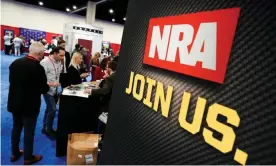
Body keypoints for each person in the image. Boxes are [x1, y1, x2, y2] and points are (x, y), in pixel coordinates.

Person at [7, 42, 49, 165]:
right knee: (29, 132)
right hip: (30, 106)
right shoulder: (38, 68)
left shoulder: (15, 63)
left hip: (15, 103)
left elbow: (12, 82)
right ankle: (28, 157)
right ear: (40, 54)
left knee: (16, 128)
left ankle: (14, 153)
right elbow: (43, 89)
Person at [40, 47, 65, 138]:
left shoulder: (58, 62)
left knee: (49, 108)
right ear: (54, 53)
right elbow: (40, 79)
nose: (62, 57)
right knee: (52, 110)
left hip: (55, 89)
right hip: (47, 90)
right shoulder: (44, 62)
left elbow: (57, 75)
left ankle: (45, 127)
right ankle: (49, 130)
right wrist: (50, 83)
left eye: (63, 55)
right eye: (61, 55)